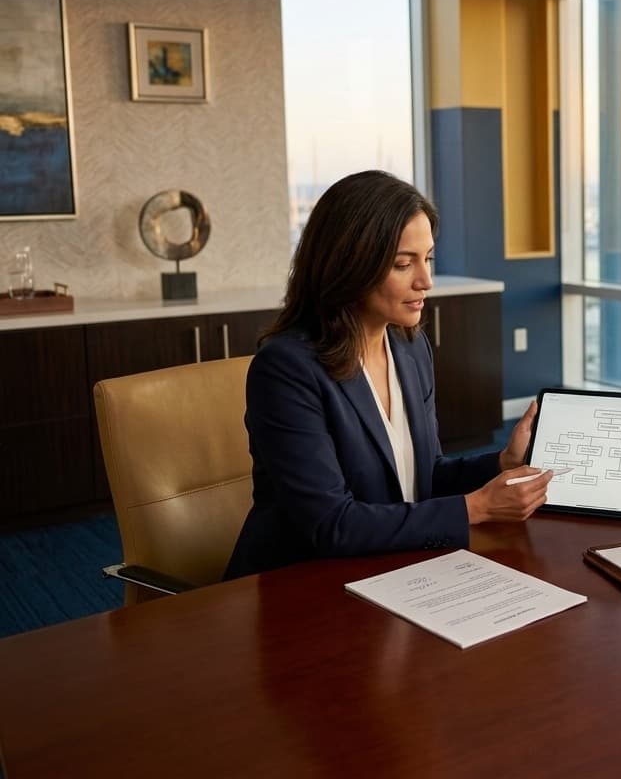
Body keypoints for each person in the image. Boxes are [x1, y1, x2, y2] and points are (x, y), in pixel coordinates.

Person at [225, 170, 550, 579]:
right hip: (303, 587)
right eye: (403, 264)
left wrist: (502, 462)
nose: (426, 281)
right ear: (350, 264)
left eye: (428, 258)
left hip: (391, 571)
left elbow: (423, 478)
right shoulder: (286, 369)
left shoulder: (409, 347)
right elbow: (330, 525)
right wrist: (476, 508)